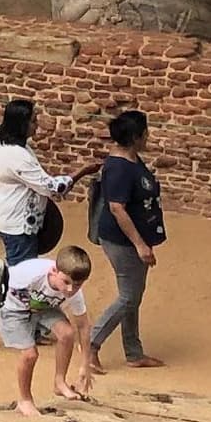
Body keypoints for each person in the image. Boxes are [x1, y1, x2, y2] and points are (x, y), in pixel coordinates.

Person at [0, 97, 73, 349]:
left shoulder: (0, 140)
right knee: (16, 281)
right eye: (33, 121)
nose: (37, 125)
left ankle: (31, 329)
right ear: (21, 124)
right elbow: (49, 186)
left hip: (10, 219)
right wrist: (70, 178)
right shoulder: (17, 156)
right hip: (18, 226)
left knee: (25, 277)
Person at [83, 108, 166, 373]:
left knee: (133, 295)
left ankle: (133, 351)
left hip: (132, 238)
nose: (148, 136)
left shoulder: (130, 160)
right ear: (135, 137)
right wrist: (140, 244)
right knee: (129, 297)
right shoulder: (120, 168)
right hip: (124, 241)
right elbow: (117, 208)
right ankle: (92, 344)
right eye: (145, 133)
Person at [0, 242, 98, 412]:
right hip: (13, 308)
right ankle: (25, 400)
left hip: (44, 306)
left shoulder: (73, 293)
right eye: (66, 282)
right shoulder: (28, 274)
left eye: (77, 285)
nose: (70, 289)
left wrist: (85, 364)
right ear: (54, 271)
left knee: (67, 333)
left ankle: (59, 382)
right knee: (30, 355)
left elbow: (83, 326)